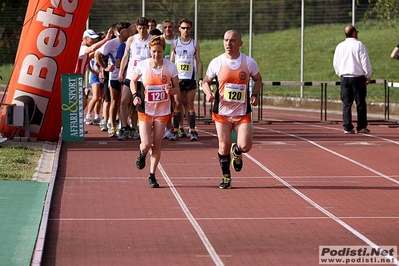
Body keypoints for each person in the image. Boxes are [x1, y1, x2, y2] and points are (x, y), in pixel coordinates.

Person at [201, 29, 263, 189]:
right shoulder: (217, 62)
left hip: (242, 113)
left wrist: (255, 95)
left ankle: (237, 151)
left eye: (232, 40)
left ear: (240, 43)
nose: (228, 43)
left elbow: (258, 79)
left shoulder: (248, 62)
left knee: (245, 146)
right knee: (223, 146)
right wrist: (208, 93)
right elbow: (205, 81)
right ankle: (226, 176)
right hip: (222, 113)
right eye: (226, 40)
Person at [130, 35, 180, 188]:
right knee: (146, 144)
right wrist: (135, 96)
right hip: (146, 110)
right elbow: (133, 81)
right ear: (149, 50)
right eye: (153, 51)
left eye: (159, 51)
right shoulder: (143, 65)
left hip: (162, 111)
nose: (156, 55)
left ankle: (152, 176)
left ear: (163, 50)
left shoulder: (170, 67)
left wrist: (171, 90)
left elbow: (178, 89)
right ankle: (142, 153)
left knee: (156, 144)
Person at [333, 25, 372, 134]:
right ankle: (361, 126)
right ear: (354, 33)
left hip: (345, 77)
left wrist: (340, 73)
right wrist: (368, 74)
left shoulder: (340, 46)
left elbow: (336, 63)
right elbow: (364, 61)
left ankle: (347, 127)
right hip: (357, 77)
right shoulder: (359, 45)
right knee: (360, 103)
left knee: (346, 103)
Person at [118, 17, 152, 141]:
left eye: (144, 28)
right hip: (131, 75)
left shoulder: (151, 40)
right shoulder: (131, 40)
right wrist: (121, 72)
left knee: (138, 104)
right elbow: (126, 56)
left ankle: (133, 128)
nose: (142, 30)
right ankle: (123, 127)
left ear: (148, 28)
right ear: (136, 28)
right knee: (124, 101)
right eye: (140, 28)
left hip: (144, 77)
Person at [170, 18, 203, 141]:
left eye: (188, 28)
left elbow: (199, 61)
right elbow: (172, 61)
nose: (185, 30)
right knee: (178, 103)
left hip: (190, 78)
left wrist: (200, 78)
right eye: (183, 28)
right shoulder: (175, 43)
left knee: (189, 104)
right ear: (179, 29)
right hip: (178, 79)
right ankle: (175, 130)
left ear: (191, 29)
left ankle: (192, 130)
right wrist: (170, 77)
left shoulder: (194, 44)